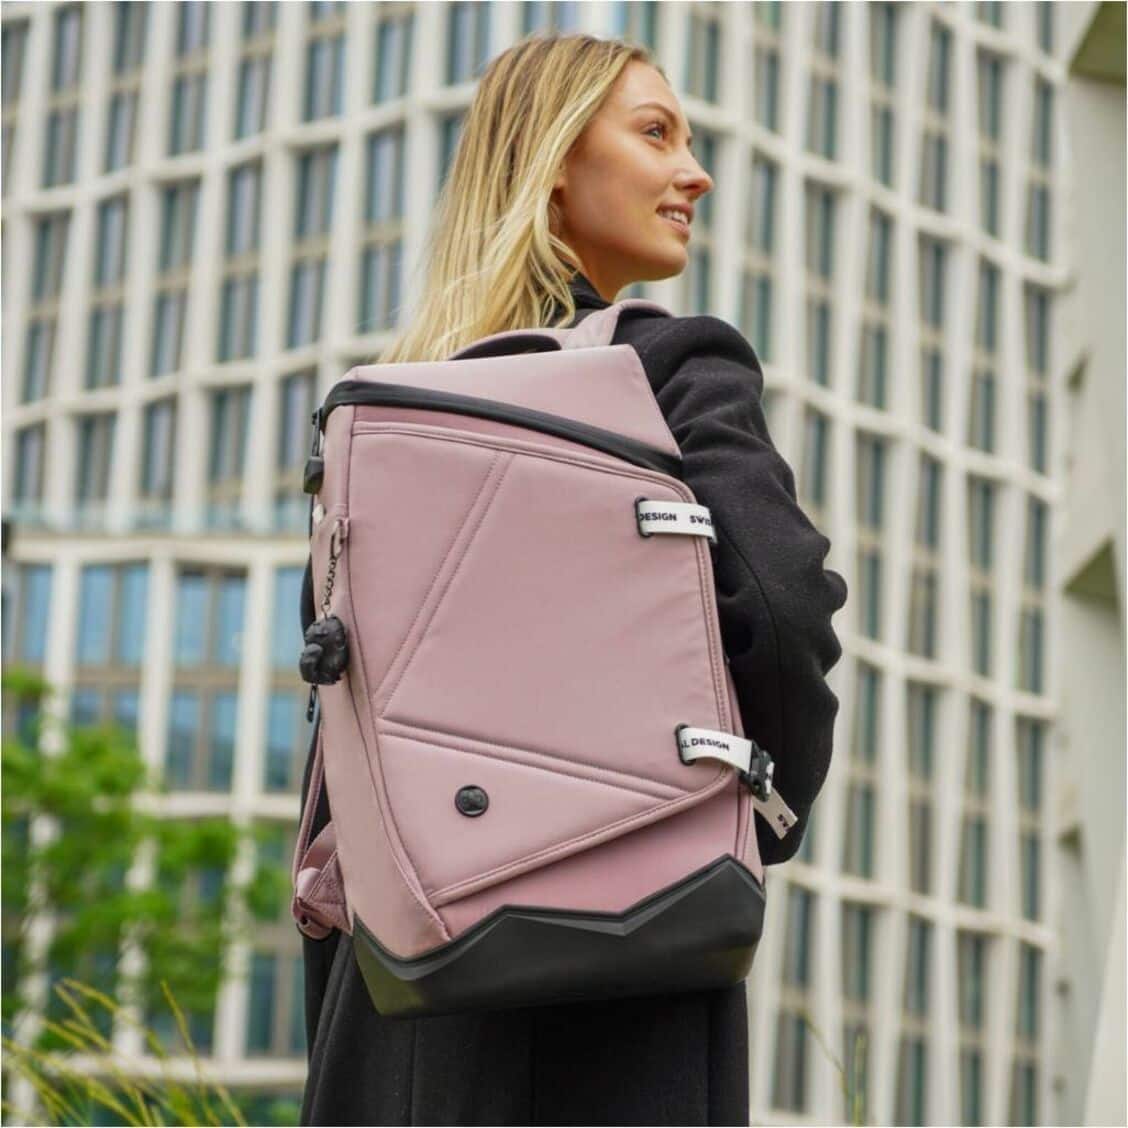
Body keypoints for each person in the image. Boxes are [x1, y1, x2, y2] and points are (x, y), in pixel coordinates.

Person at [298, 33, 847, 1126]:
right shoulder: (670, 367)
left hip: (400, 1007)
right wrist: (746, 811)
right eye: (656, 133)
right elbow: (785, 608)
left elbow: (335, 769)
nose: (694, 172)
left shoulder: (372, 429)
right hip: (623, 968)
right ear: (554, 161)